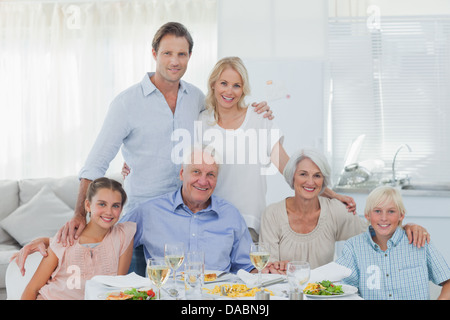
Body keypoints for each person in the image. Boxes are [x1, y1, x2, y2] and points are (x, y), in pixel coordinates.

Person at [122, 57, 356, 242]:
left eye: (237, 85)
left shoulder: (259, 119)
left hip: (249, 224)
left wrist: (332, 194)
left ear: (243, 89)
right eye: (224, 83)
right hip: (208, 224)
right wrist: (134, 164)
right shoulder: (201, 122)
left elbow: (290, 170)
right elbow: (181, 164)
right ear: (213, 84)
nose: (229, 91)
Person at [259, 148, 430, 272]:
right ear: (292, 177)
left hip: (323, 294)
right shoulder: (272, 214)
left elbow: (376, 233)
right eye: (303, 174)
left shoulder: (334, 211)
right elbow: (268, 267)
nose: (310, 182)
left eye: (317, 175)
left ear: (323, 181)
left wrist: (407, 227)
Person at [119, 145, 258, 274]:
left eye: (211, 174)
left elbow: (248, 267)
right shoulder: (149, 212)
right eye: (196, 172)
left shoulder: (230, 215)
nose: (203, 181)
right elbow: (111, 241)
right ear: (181, 174)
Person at [21, 178, 135, 300]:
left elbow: (117, 287)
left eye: (115, 206)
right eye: (102, 204)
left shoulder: (124, 235)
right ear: (88, 205)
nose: (109, 212)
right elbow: (32, 289)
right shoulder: (64, 240)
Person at [336, 186, 450, 300]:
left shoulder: (419, 241)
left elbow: (448, 283)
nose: (384, 218)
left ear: (401, 215)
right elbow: (344, 290)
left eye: (391, 211)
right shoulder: (353, 247)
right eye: (377, 211)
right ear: (367, 215)